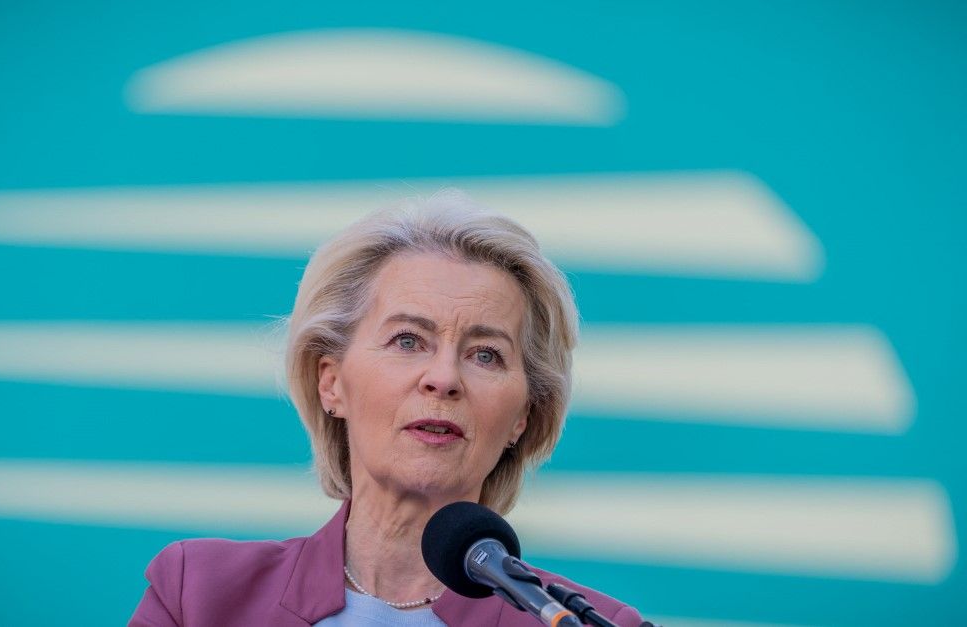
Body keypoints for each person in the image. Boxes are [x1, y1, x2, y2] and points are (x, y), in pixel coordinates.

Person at [128, 190, 645, 626]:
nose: (443, 378)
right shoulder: (199, 595)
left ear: (523, 418)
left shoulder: (578, 621)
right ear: (330, 383)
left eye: (485, 355)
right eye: (406, 341)